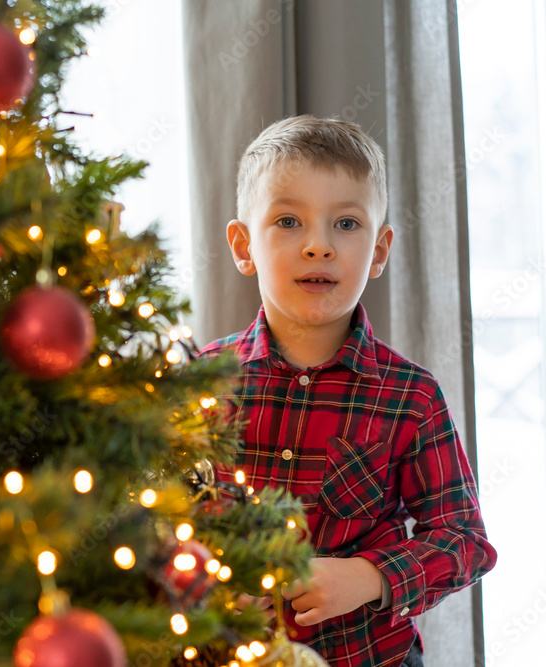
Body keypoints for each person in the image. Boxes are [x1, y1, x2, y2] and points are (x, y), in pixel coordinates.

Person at [200, 115, 497, 667]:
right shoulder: (198, 382)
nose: (318, 246)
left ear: (380, 251)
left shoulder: (411, 396)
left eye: (346, 224)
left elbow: (465, 540)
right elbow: (144, 517)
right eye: (289, 221)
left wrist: (368, 577)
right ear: (243, 245)